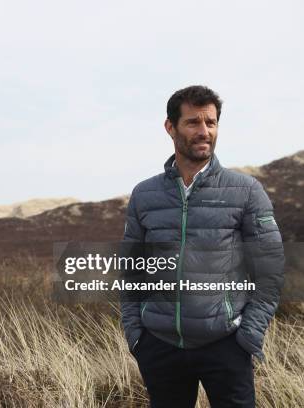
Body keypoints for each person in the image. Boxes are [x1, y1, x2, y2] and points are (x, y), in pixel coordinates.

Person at [120, 85, 285, 407]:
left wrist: (248, 334)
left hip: (225, 343)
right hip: (160, 344)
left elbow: (272, 269)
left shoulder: (246, 191)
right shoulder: (144, 194)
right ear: (171, 127)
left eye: (211, 123)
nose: (204, 131)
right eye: (193, 122)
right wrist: (136, 333)